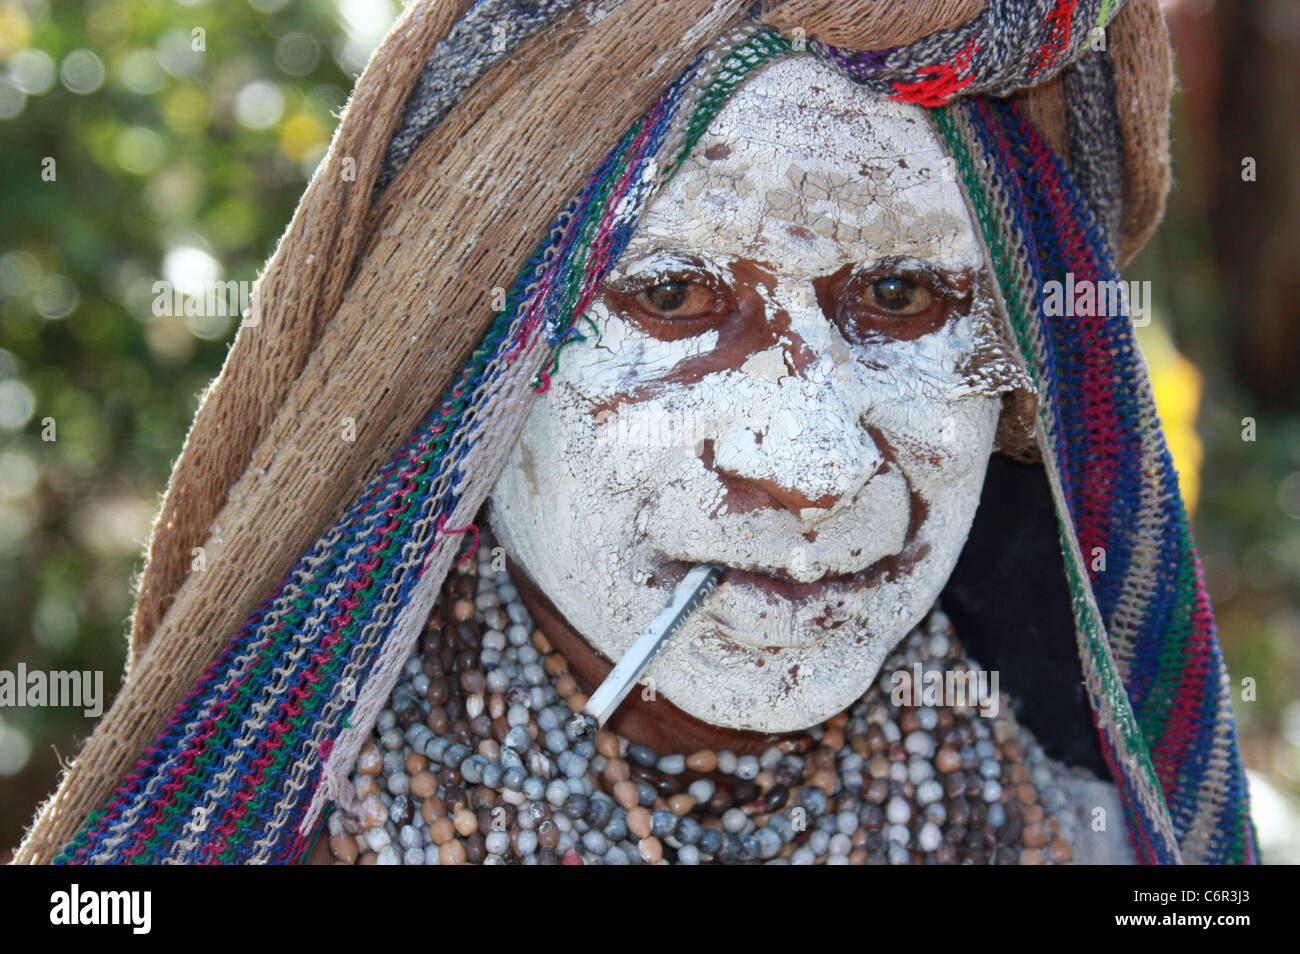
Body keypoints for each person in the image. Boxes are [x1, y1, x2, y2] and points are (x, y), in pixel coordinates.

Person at [20, 0, 1256, 866]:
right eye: (671, 297)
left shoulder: (1089, 844)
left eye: (901, 297)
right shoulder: (291, 840)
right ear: (466, 370)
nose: (810, 465)